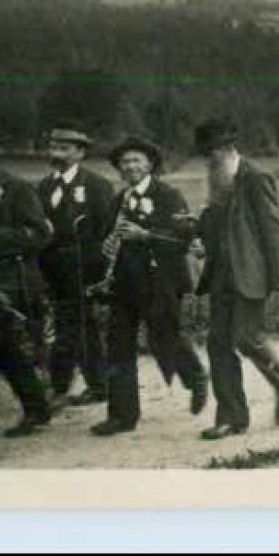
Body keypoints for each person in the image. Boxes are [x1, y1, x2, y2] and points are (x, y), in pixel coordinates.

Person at [90, 135, 209, 435]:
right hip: (123, 285)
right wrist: (107, 246)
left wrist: (147, 235)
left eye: (136, 161)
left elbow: (184, 237)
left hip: (161, 283)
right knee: (118, 347)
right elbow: (107, 238)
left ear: (150, 165)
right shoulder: (118, 201)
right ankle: (122, 416)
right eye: (124, 162)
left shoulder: (168, 195)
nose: (130, 167)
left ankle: (195, 377)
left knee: (165, 338)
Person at [193, 119, 279, 440]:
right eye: (205, 156)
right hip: (221, 274)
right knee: (217, 343)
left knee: (246, 337)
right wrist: (198, 235)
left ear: (227, 150)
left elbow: (274, 231)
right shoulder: (218, 181)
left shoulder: (255, 178)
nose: (208, 162)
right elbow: (216, 224)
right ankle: (232, 418)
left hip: (251, 274)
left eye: (212, 155)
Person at [0, 124, 55, 446]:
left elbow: (43, 234)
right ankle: (37, 408)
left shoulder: (14, 188)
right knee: (3, 350)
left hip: (9, 283)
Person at [35, 121, 115, 408]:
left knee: (71, 324)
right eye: (54, 147)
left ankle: (58, 388)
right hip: (54, 267)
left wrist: (101, 275)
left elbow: (107, 231)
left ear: (80, 153)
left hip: (84, 267)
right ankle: (98, 384)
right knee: (80, 325)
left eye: (64, 148)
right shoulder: (45, 186)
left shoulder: (96, 185)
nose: (57, 153)